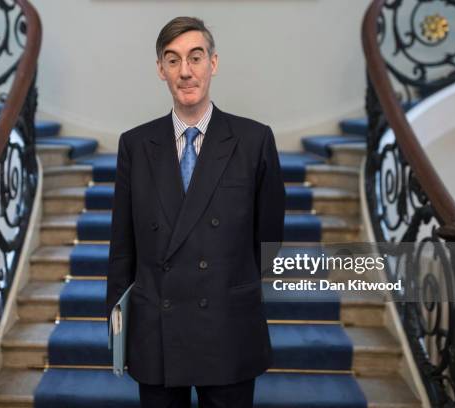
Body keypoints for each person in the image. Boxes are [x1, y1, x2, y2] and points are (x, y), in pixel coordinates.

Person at [106, 16, 285, 408]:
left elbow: (267, 242)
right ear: (160, 70)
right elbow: (123, 247)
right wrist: (119, 323)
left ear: (213, 63)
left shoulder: (254, 141)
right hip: (157, 332)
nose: (185, 72)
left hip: (227, 327)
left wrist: (234, 292)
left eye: (195, 57)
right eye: (173, 60)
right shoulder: (135, 145)